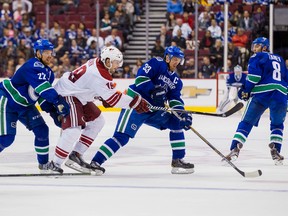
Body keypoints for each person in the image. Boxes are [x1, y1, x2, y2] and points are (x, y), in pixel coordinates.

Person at [90, 46, 194, 175]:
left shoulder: (177, 81)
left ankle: (178, 160)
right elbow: (140, 78)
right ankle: (95, 162)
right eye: (175, 59)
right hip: (136, 104)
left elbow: (174, 99)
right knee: (121, 137)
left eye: (179, 60)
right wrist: (152, 90)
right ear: (167, 57)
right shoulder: (156, 63)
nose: (177, 62)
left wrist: (181, 114)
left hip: (154, 110)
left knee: (177, 123)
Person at [50, 46, 149, 174]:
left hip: (79, 95)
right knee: (74, 129)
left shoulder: (98, 64)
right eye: (116, 63)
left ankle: (76, 155)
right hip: (67, 94)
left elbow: (93, 86)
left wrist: (103, 96)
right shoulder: (99, 74)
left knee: (98, 121)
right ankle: (55, 164)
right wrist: (135, 102)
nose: (117, 66)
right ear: (107, 61)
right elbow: (114, 99)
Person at [0, 39, 70, 173]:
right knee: (6, 138)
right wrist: (59, 102)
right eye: (46, 52)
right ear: (38, 53)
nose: (50, 55)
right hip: (7, 100)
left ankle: (43, 165)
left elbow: (42, 98)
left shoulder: (49, 73)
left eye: (51, 52)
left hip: (24, 105)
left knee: (42, 130)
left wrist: (53, 113)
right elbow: (44, 89)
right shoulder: (31, 65)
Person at [223, 37, 288, 166]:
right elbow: (285, 78)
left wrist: (246, 90)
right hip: (281, 94)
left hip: (262, 94)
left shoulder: (256, 57)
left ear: (265, 47)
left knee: (246, 122)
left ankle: (235, 148)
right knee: (277, 124)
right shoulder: (280, 59)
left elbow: (254, 77)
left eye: (257, 46)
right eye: (254, 46)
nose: (254, 49)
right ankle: (276, 151)